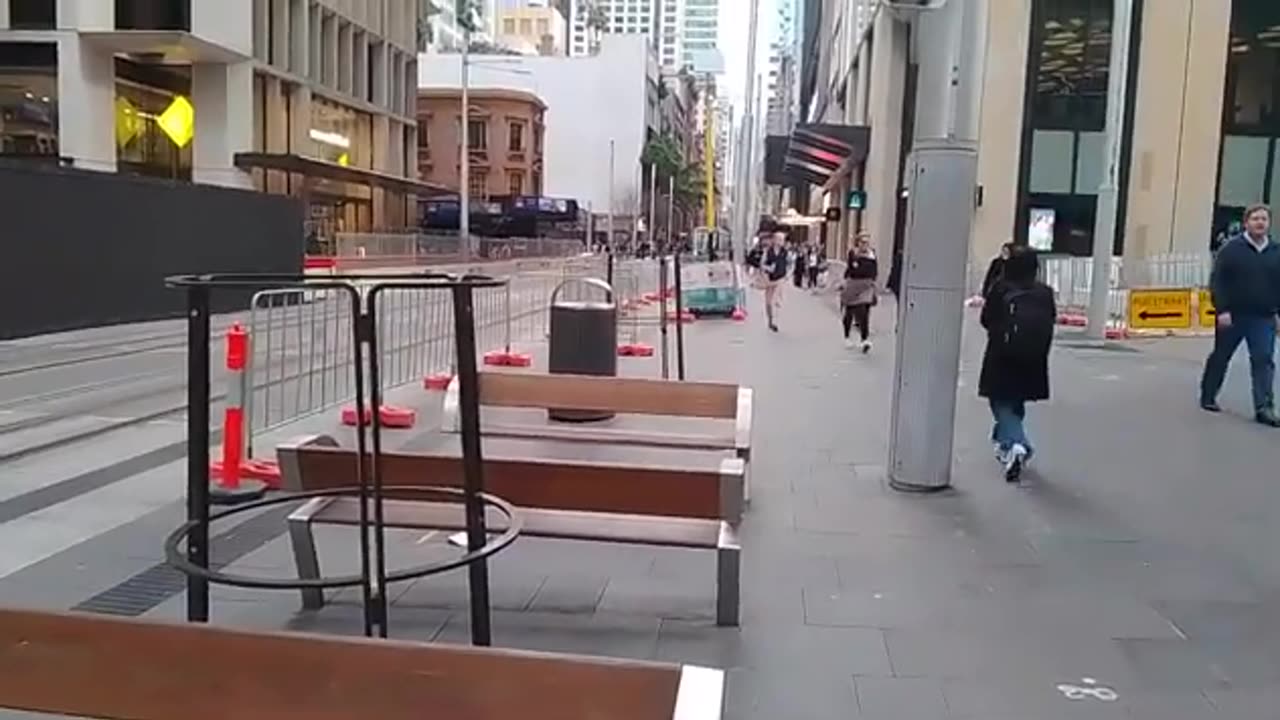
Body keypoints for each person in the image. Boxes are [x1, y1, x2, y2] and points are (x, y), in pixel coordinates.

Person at [979, 245, 1056, 482]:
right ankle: (1005, 442)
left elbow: (986, 319)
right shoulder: (1045, 292)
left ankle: (1017, 444)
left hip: (1002, 354)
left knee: (1000, 401)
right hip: (1034, 356)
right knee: (1016, 399)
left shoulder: (1001, 288)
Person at [1199, 204, 1280, 426]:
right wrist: (1222, 310)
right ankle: (1208, 395)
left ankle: (1264, 407)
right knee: (1221, 356)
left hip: (1263, 317)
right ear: (1246, 222)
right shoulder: (1231, 249)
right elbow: (1218, 282)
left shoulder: (1276, 252)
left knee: (1263, 360)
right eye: (1255, 219)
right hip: (1233, 315)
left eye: (1264, 219)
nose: (1260, 223)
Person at [840, 235, 879, 352]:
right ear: (858, 243)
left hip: (867, 285)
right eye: (862, 242)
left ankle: (864, 339)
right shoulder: (853, 254)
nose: (865, 244)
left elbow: (874, 270)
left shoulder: (872, 254)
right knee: (850, 312)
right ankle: (847, 337)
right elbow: (853, 269)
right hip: (853, 284)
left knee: (864, 311)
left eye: (867, 242)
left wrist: (872, 280)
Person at [759, 227, 789, 332]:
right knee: (768, 303)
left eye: (783, 240)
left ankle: (775, 322)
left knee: (774, 301)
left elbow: (790, 264)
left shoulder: (785, 252)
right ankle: (770, 320)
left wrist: (788, 274)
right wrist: (769, 268)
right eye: (780, 239)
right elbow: (762, 265)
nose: (782, 242)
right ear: (775, 240)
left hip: (780, 278)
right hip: (769, 279)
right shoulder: (768, 252)